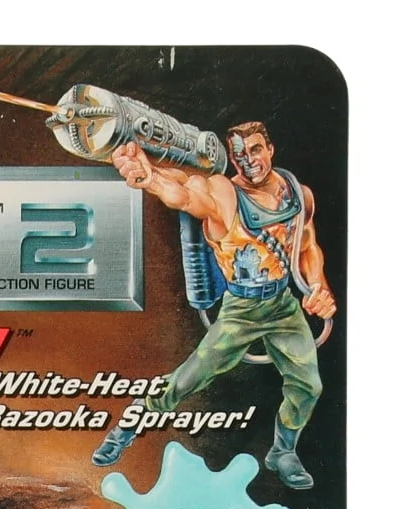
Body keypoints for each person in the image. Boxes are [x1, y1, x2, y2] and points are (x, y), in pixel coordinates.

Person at [91, 120, 335, 489]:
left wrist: (318, 287)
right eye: (239, 154)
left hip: (283, 307)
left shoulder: (297, 195)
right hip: (241, 312)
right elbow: (186, 193)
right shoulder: (225, 194)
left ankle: (283, 451)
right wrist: (150, 178)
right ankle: (126, 428)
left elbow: (307, 247)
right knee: (185, 380)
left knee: (308, 385)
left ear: (270, 149)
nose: (248, 160)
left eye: (255, 149)